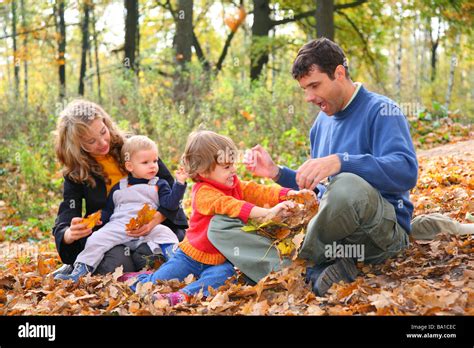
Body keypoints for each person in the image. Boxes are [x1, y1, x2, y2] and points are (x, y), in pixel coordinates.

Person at [207, 38, 419, 296]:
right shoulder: (321, 123)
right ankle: (309, 271)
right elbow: (319, 189)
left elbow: (406, 171)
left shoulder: (382, 110)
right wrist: (276, 173)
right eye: (304, 89)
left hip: (378, 234)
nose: (309, 97)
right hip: (331, 233)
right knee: (220, 224)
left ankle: (300, 265)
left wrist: (342, 161)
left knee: (346, 181)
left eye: (314, 86)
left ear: (339, 73)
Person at [131, 130, 297, 306]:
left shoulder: (234, 184)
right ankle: (138, 280)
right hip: (190, 256)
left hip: (222, 258)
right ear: (203, 171)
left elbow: (258, 191)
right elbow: (231, 206)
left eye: (232, 164)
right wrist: (268, 213)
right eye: (226, 167)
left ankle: (183, 295)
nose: (233, 170)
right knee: (159, 279)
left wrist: (289, 194)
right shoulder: (203, 193)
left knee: (224, 277)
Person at [52, 100, 188, 277]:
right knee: (114, 264)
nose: (102, 143)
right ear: (76, 144)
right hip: (113, 233)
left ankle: (144, 266)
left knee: (150, 255)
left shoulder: (135, 148)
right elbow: (67, 214)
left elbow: (171, 191)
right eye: (91, 141)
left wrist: (154, 220)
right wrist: (69, 234)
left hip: (153, 227)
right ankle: (82, 266)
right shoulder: (76, 173)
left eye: (103, 132)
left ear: (107, 124)